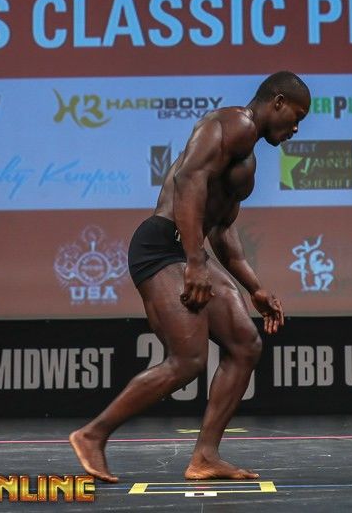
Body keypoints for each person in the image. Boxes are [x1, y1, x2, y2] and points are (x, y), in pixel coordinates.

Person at [69, 71, 310, 483]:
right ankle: (93, 435)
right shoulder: (233, 123)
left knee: (245, 344)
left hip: (188, 249)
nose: (296, 128)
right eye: (296, 117)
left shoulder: (247, 159)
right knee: (188, 360)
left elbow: (223, 231)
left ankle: (205, 456)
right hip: (162, 246)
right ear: (278, 102)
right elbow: (187, 180)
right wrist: (195, 262)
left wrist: (255, 288)